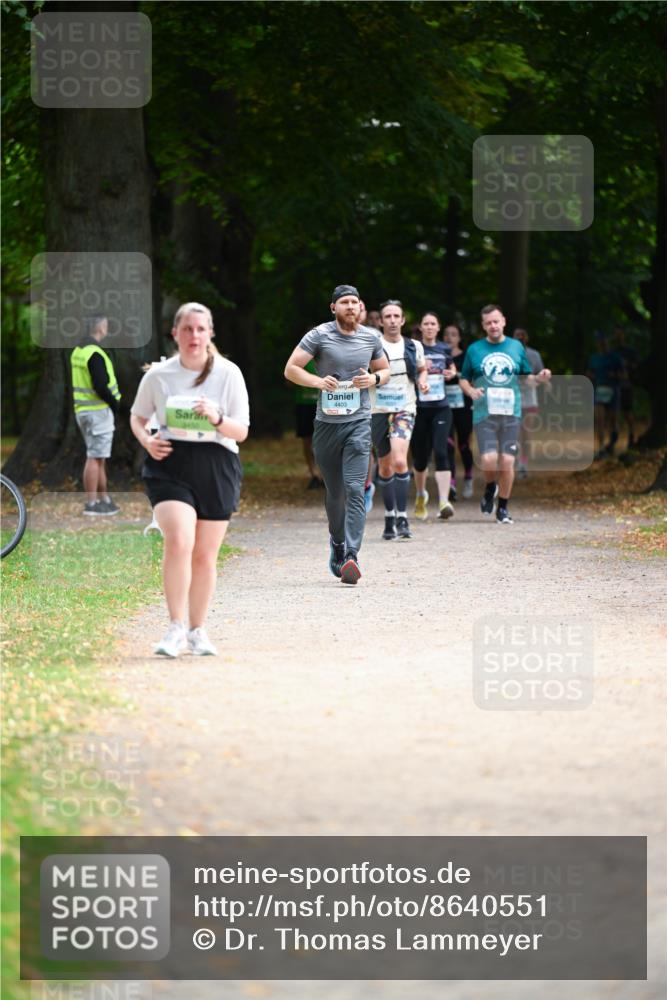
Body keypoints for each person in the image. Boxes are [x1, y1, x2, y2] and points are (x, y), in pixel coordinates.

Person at [130, 302, 250, 657]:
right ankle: (175, 627)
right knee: (179, 541)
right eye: (187, 329)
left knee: (204, 555)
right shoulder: (158, 376)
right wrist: (147, 440)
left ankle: (198, 630)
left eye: (201, 329)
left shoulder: (228, 374)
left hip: (217, 463)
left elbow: (240, 431)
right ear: (175, 334)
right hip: (170, 462)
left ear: (210, 333)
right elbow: (138, 418)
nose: (194, 336)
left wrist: (215, 417)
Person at [284, 284, 390, 585]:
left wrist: (373, 377)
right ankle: (337, 542)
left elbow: (385, 371)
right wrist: (318, 382)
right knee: (336, 493)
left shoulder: (371, 337)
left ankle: (351, 556)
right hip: (327, 425)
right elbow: (291, 369)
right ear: (334, 308)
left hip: (359, 423)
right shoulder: (319, 335)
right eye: (344, 302)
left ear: (361, 306)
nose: (350, 307)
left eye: (355, 302)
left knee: (356, 488)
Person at [459, 304, 551, 524]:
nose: (493, 326)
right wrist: (471, 391)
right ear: (483, 325)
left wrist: (539, 378)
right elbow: (463, 378)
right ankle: (491, 486)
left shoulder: (516, 347)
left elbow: (526, 377)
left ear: (503, 321)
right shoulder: (474, 349)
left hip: (511, 412)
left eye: (496, 321)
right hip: (484, 413)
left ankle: (503, 508)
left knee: (508, 461)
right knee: (489, 459)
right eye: (488, 322)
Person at [371, 299, 427, 541]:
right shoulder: (373, 346)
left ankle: (403, 517)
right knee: (384, 466)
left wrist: (423, 379)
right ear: (381, 321)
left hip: (405, 408)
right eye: (388, 317)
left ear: (403, 320)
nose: (393, 321)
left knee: (399, 460)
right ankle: (389, 515)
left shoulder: (414, 346)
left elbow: (422, 368)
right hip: (377, 410)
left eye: (397, 316)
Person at [70, 315, 121, 516]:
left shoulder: (78, 351)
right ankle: (92, 503)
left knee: (99, 456)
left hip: (83, 411)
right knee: (94, 456)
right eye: (106, 324)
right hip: (98, 411)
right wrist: (114, 404)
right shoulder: (95, 354)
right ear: (100, 327)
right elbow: (100, 385)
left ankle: (103, 499)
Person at [412, 312, 457, 521]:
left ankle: (443, 501)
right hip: (419, 407)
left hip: (441, 406)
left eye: (433, 323)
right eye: (426, 323)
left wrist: (451, 373)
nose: (429, 327)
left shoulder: (444, 348)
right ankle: (421, 495)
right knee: (420, 458)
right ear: (421, 327)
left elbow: (451, 367)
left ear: (438, 328)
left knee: (441, 451)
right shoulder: (413, 348)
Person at [443, 323, 474, 499]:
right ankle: (452, 484)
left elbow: (473, 378)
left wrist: (457, 375)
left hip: (464, 405)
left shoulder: (466, 356)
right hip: (444, 405)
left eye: (453, 334)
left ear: (459, 338)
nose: (449, 338)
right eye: (446, 334)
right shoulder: (439, 354)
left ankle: (468, 476)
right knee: (447, 444)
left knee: (463, 443)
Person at [512, 328, 545, 478]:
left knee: (526, 432)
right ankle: (515, 458)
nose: (520, 338)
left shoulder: (534, 355)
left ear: (527, 338)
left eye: (522, 335)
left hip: (530, 397)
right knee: (515, 432)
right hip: (512, 397)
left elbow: (541, 374)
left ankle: (523, 463)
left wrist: (536, 380)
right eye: (517, 336)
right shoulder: (508, 353)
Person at [586, 332, 624, 459]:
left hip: (613, 390)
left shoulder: (615, 358)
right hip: (599, 391)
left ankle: (612, 443)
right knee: (599, 419)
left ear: (607, 342)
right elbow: (589, 373)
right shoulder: (594, 358)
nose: (602, 343)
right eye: (599, 341)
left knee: (613, 421)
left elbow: (624, 375)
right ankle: (601, 447)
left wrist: (615, 376)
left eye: (603, 340)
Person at [293, 358, 323, 489]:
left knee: (325, 440)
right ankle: (314, 474)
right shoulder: (300, 357)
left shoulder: (328, 354)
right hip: (304, 403)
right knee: (307, 440)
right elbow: (289, 378)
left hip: (324, 404)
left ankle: (325, 475)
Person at [613, 326, 640, 449]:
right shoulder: (612, 352)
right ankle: (613, 439)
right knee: (612, 414)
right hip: (614, 385)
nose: (618, 335)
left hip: (627, 385)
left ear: (624, 334)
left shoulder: (631, 351)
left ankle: (632, 435)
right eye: (616, 333)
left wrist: (626, 365)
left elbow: (637, 366)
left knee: (627, 412)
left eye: (620, 333)